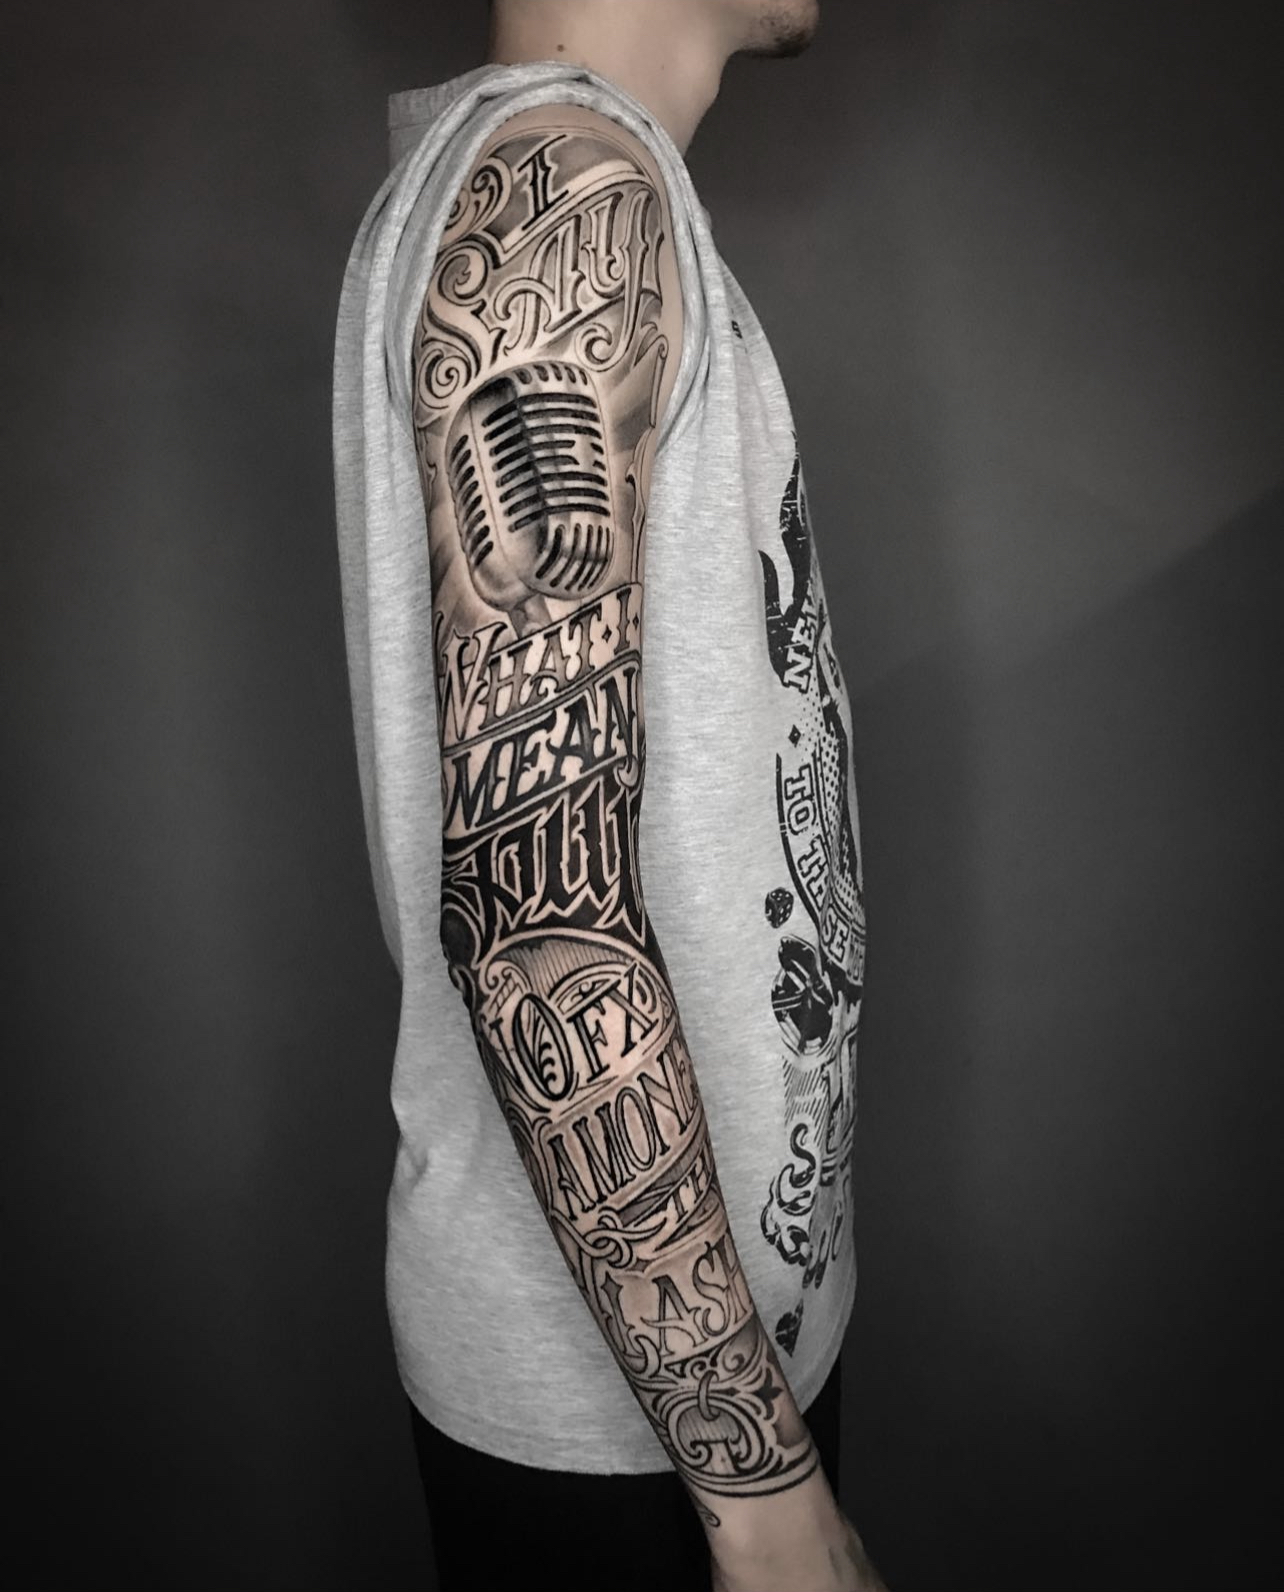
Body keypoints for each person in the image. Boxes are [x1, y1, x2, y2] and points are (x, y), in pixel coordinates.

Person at [332, 2, 883, 1587]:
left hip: (693, 1382)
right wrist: (760, 1488)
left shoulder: (547, 175)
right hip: (640, 1432)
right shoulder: (568, 183)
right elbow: (533, 911)